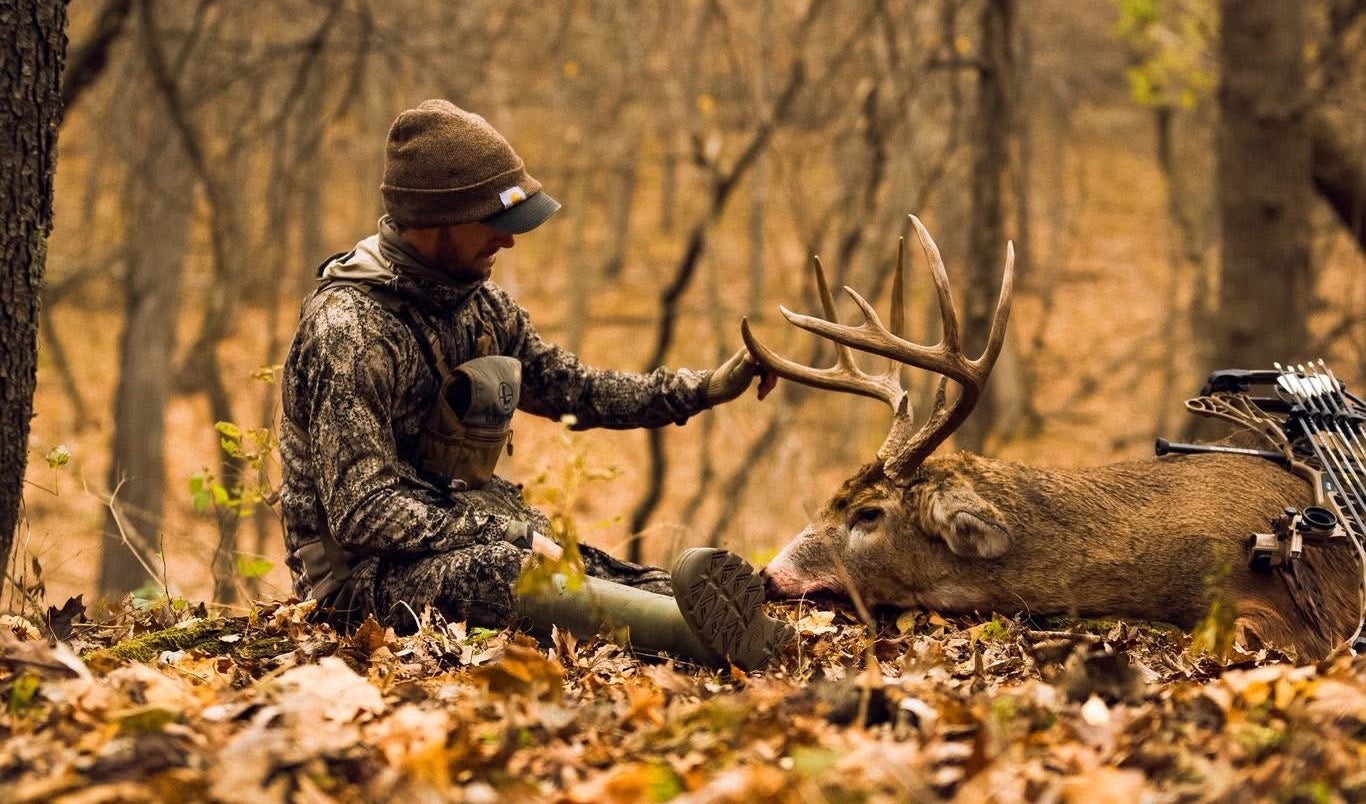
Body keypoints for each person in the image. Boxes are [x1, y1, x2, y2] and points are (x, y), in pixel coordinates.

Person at [279, 99, 792, 670]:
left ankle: (725, 622)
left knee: (597, 569)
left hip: (461, 538)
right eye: (493, 224)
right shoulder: (349, 330)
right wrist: (510, 534)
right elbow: (363, 513)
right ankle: (697, 641)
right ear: (434, 222)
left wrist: (701, 389)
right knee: (507, 568)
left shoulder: (479, 305)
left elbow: (575, 390)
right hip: (356, 587)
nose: (509, 241)